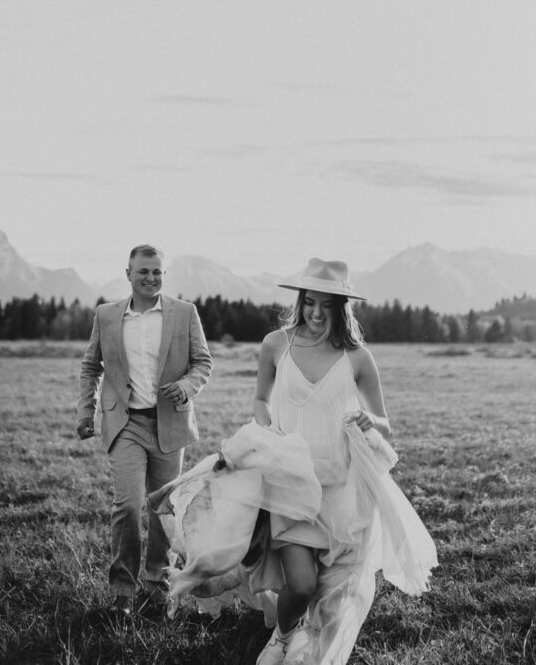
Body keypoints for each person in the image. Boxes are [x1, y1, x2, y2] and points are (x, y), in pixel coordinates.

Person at [247, 258, 438, 664]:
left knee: (332, 590)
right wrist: (265, 429)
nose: (316, 313)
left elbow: (384, 424)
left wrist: (372, 420)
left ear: (341, 307)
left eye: (327, 305)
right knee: (299, 585)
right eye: (310, 302)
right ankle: (283, 635)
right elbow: (261, 398)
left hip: (340, 488)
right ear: (300, 300)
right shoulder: (276, 344)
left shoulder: (357, 358)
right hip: (290, 483)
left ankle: (312, 639)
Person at [76, 244, 213, 616]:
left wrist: (186, 386)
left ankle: (156, 581)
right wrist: (86, 410)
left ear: (163, 275)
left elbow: (203, 361)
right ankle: (122, 590)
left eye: (157, 272)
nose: (151, 278)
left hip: (169, 424)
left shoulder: (185, 313)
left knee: (163, 508)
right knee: (129, 504)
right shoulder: (106, 316)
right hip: (126, 424)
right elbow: (92, 366)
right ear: (128, 274)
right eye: (143, 272)